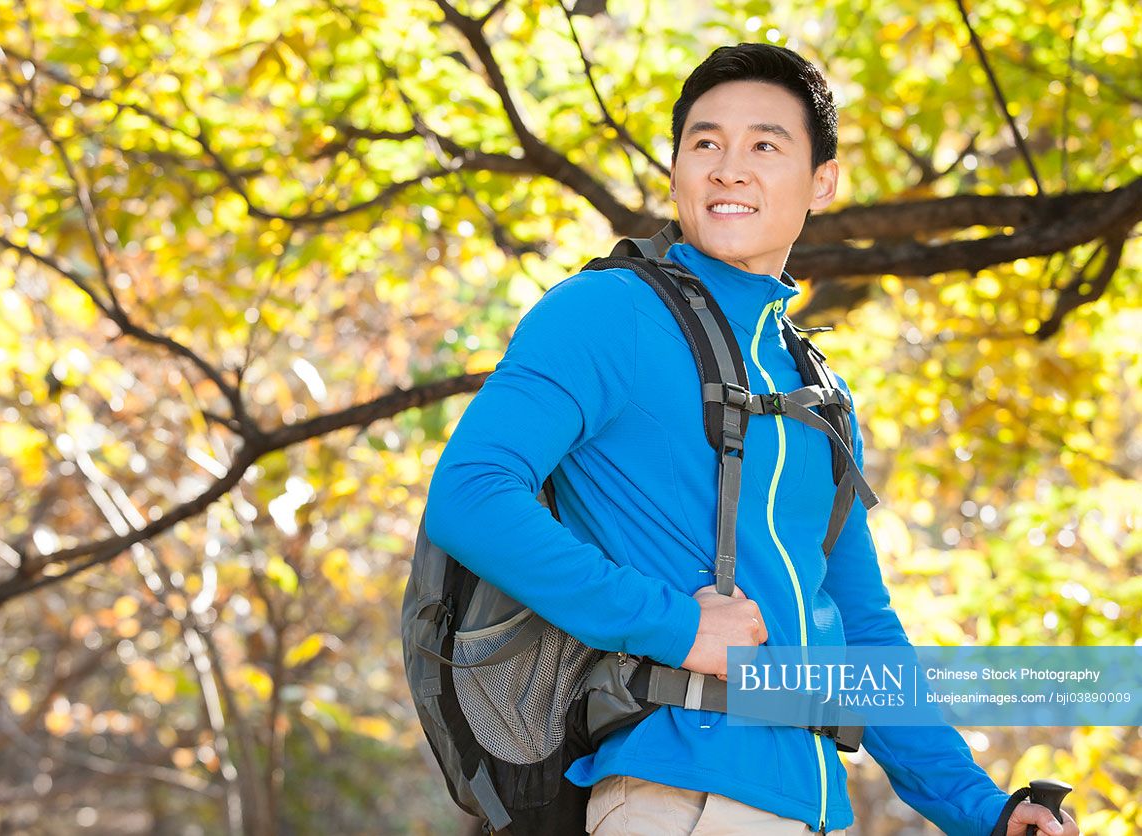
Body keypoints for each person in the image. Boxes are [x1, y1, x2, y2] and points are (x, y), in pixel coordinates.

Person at [424, 43, 1078, 836]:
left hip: (813, 812)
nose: (728, 168)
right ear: (675, 169)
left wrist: (982, 809)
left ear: (822, 180)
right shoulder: (605, 313)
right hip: (678, 800)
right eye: (704, 144)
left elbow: (863, 629)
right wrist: (674, 624)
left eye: (764, 145)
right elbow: (470, 493)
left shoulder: (816, 389)